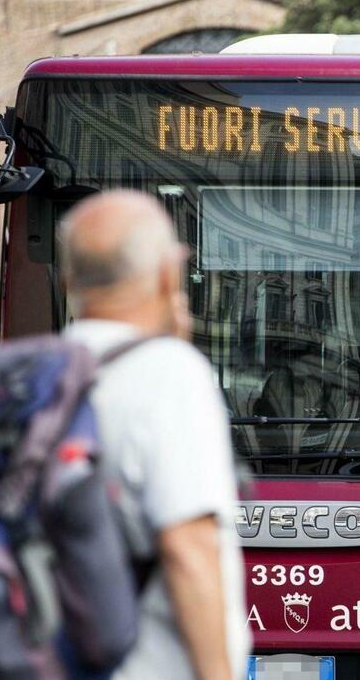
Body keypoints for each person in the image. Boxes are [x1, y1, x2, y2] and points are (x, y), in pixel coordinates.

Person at [58, 190, 250, 680]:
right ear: (169, 274)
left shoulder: (39, 372)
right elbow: (188, 548)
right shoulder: (168, 373)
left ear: (68, 280)